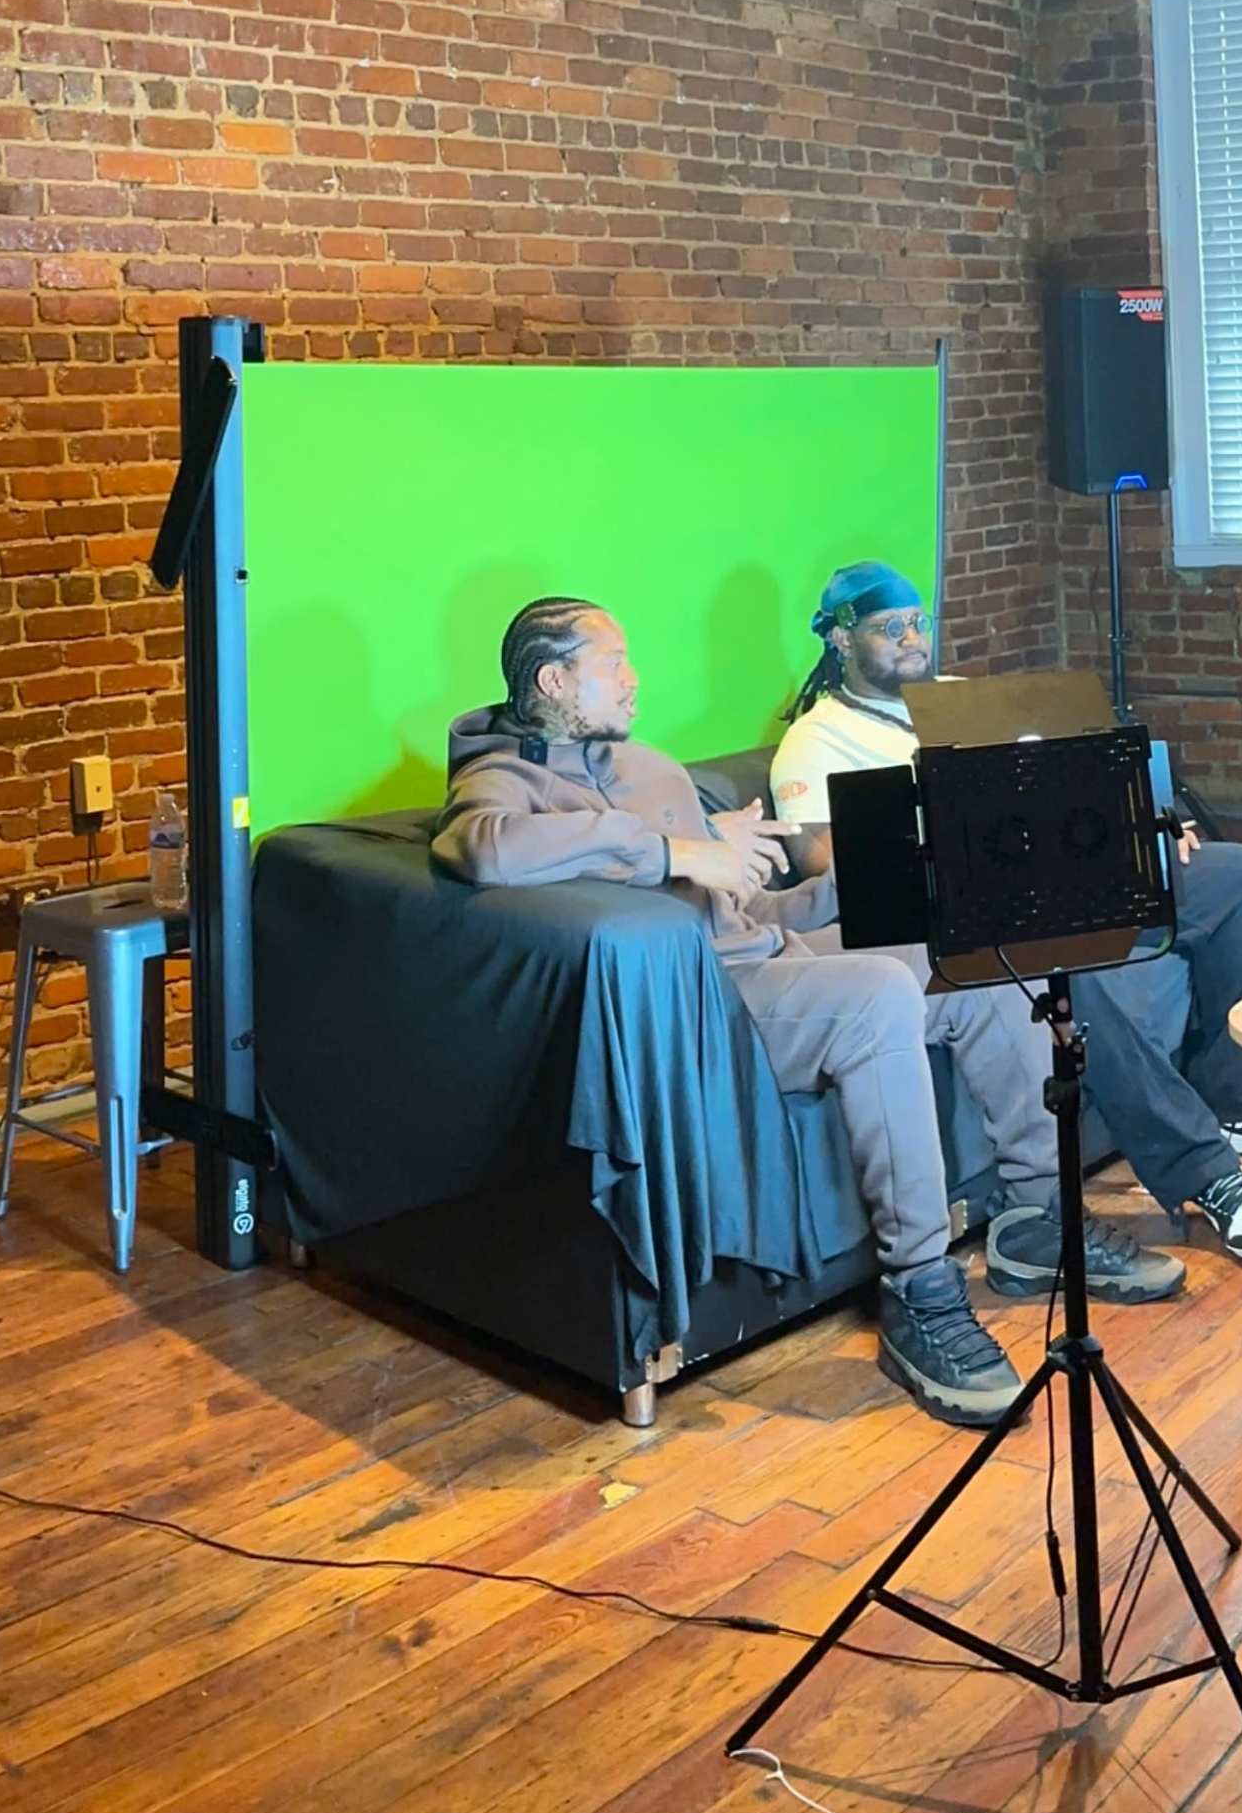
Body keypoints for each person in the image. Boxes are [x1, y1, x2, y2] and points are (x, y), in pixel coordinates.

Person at [433, 598, 1070, 1428]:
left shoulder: (649, 766)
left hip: (771, 961)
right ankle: (921, 1289)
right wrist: (669, 850)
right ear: (555, 681)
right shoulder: (501, 777)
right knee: (879, 994)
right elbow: (482, 847)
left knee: (969, 954)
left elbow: (745, 915)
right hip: (712, 1006)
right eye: (613, 664)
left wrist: (845, 885)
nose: (633, 679)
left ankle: (1037, 1219)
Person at [770, 559, 1242, 1290]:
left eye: (917, 621)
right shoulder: (814, 742)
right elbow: (824, 862)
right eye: (888, 628)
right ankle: (1208, 1173)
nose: (911, 638)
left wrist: (1143, 822)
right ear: (840, 639)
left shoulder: (964, 700)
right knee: (1054, 963)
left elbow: (1073, 783)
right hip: (968, 908)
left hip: (1060, 869)